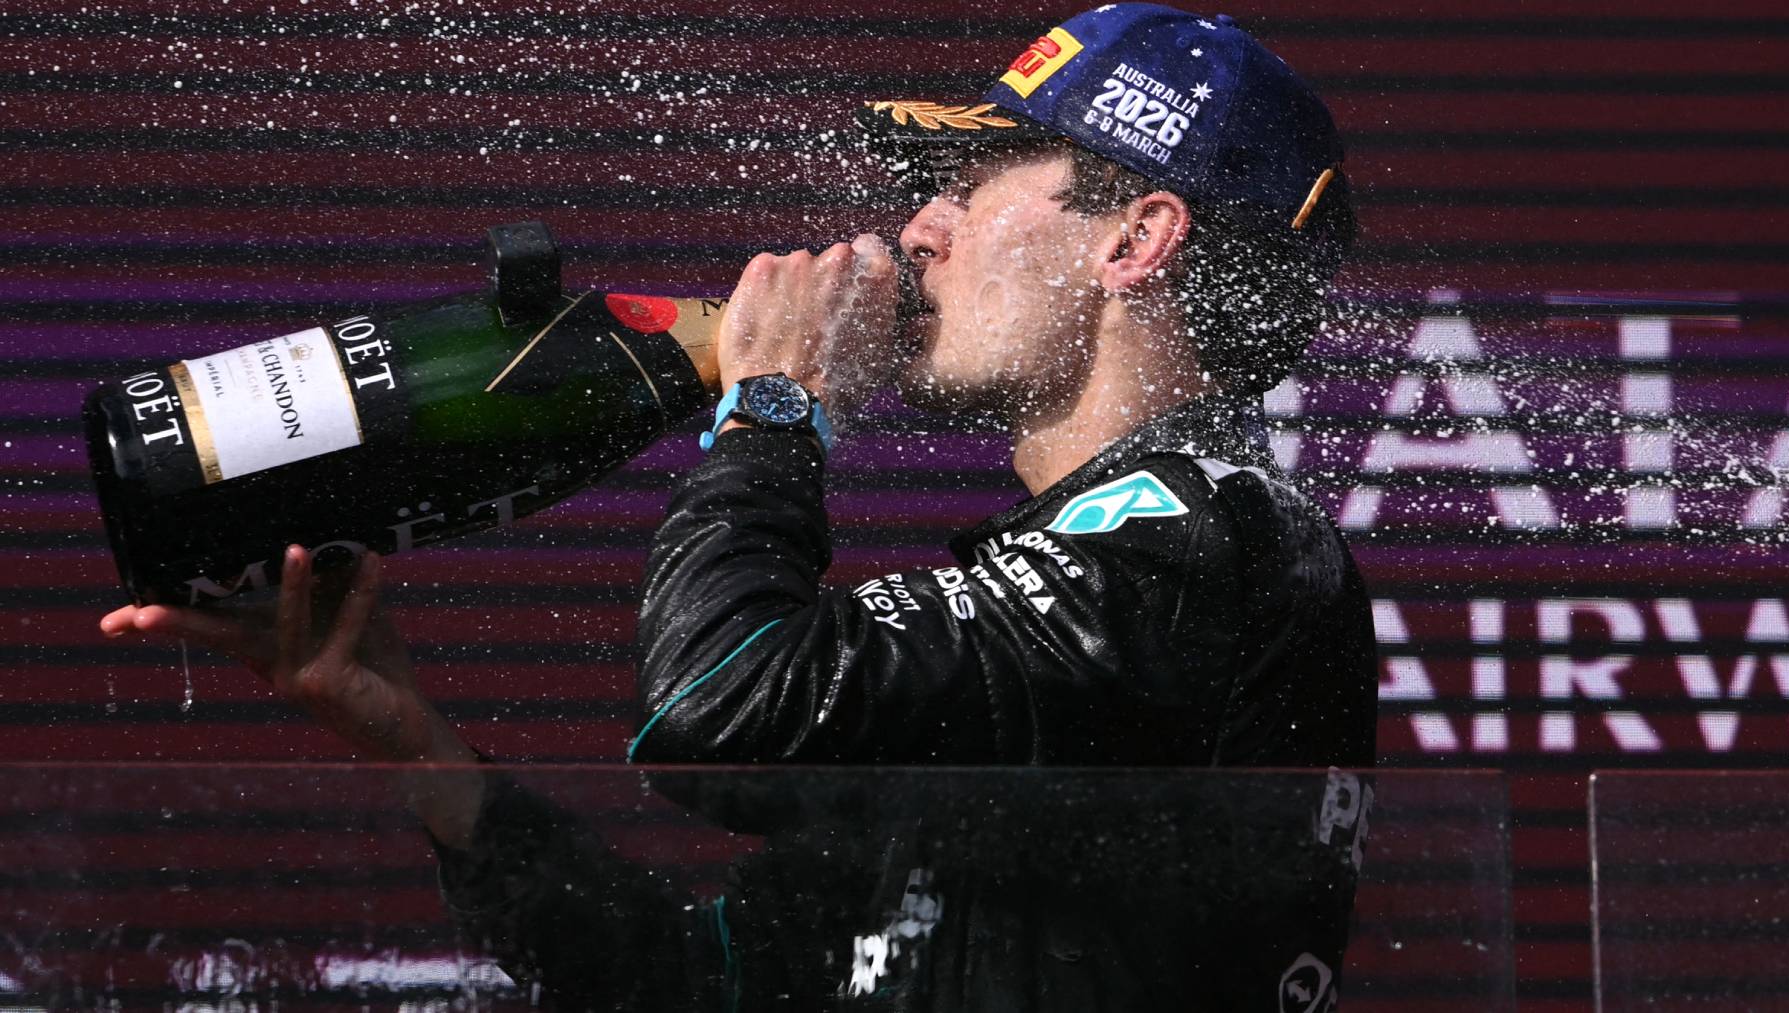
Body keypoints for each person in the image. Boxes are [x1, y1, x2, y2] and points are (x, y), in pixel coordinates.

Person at [100, 4, 1378, 1009]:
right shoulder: (1108, 584)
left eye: (978, 179)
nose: (917, 229)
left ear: (1134, 240)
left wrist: (776, 405)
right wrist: (420, 749)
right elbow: (696, 977)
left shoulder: (1212, 536)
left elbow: (723, 709)